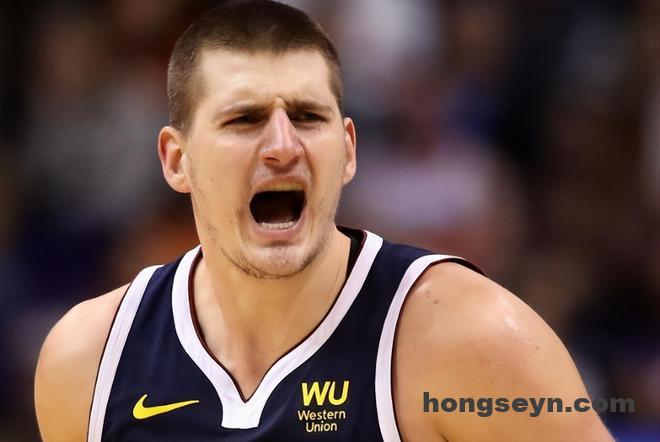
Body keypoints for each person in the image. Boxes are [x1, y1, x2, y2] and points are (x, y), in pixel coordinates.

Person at [34, 1, 613, 441]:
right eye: (244, 119)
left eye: (308, 116)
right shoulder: (88, 361)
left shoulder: (469, 337)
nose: (283, 146)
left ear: (348, 150)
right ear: (176, 160)